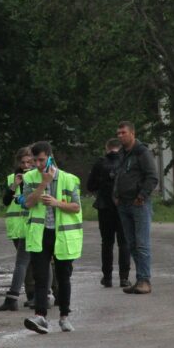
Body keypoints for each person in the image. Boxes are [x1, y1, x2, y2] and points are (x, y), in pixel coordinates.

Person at [21, 141, 82, 334]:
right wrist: (44, 184)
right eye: (35, 160)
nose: (38, 164)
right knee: (41, 276)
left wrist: (56, 203)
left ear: (49, 157)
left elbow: (76, 207)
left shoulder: (69, 179)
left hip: (62, 234)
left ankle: (64, 317)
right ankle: (40, 317)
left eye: (41, 160)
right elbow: (28, 203)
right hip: (40, 233)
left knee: (63, 277)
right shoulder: (30, 177)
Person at [113, 121, 158, 295]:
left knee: (142, 243)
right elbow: (118, 175)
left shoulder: (142, 152)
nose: (120, 136)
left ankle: (145, 280)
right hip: (123, 204)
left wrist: (142, 196)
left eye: (123, 132)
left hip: (138, 204)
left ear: (132, 133)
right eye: (118, 133)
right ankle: (140, 279)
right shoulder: (122, 154)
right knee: (131, 243)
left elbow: (152, 177)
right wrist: (115, 194)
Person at [0, 147, 34, 311]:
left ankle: (14, 297)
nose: (25, 165)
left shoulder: (37, 177)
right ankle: (35, 296)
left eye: (29, 162)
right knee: (28, 263)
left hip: (32, 226)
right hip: (16, 228)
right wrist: (14, 185)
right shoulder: (13, 177)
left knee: (25, 263)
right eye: (22, 162)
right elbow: (5, 201)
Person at [87, 138, 130, 288]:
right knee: (124, 243)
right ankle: (124, 278)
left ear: (107, 148)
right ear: (119, 148)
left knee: (107, 243)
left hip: (104, 207)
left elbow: (90, 185)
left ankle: (107, 277)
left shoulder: (100, 163)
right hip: (123, 207)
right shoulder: (126, 161)